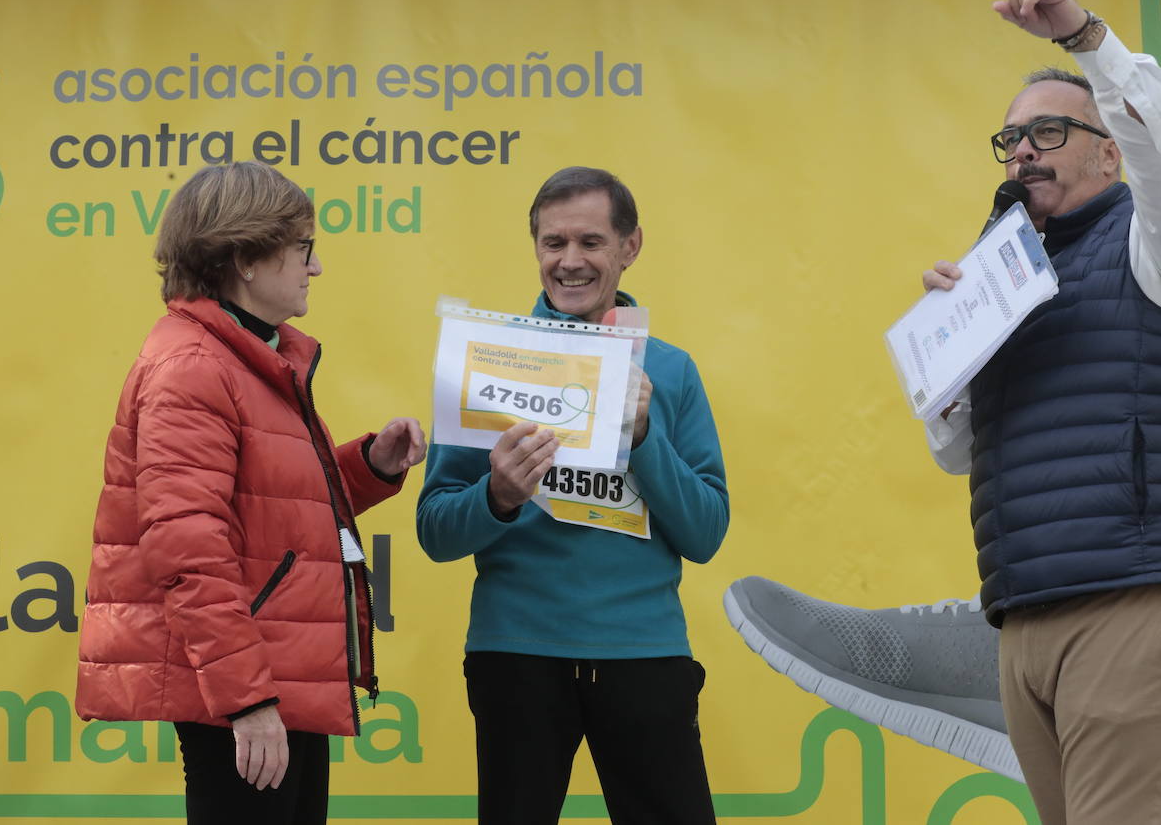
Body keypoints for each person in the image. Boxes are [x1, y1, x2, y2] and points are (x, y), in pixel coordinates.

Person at [727, 0, 1161, 825]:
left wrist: (1084, 37)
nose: (1024, 154)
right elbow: (956, 450)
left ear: (1109, 155)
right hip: (1027, 612)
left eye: (1051, 134)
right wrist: (956, 343)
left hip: (1138, 599)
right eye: (1012, 139)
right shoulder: (1008, 276)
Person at [75, 161, 426, 825]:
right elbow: (189, 550)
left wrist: (371, 463)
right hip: (245, 689)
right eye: (303, 249)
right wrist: (248, 701)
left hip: (278, 676)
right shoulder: (196, 369)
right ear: (245, 258)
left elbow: (276, 513)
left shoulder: (251, 357)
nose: (314, 268)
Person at [417, 166, 729, 825]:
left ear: (630, 245)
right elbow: (436, 532)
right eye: (553, 243)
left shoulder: (669, 370)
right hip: (517, 655)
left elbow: (705, 534)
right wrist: (497, 496)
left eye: (590, 241)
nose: (570, 261)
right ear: (535, 248)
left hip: (644, 655)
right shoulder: (490, 360)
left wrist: (645, 437)